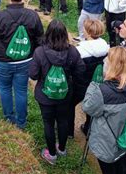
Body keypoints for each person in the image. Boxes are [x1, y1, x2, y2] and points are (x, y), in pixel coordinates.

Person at [0, 0, 44, 129]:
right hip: (25, 61)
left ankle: (9, 119)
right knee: (21, 90)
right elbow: (40, 40)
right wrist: (32, 55)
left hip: (3, 61)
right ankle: (21, 123)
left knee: (4, 88)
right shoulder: (32, 16)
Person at [29, 20, 85, 165]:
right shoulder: (72, 51)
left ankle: (51, 154)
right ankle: (62, 148)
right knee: (63, 120)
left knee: (48, 123)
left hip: (45, 96)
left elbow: (33, 75)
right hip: (65, 94)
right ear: (65, 34)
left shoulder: (39, 52)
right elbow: (80, 71)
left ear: (48, 34)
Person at [83, 46, 126, 174]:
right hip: (125, 135)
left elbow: (88, 108)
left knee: (108, 172)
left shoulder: (103, 91)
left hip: (107, 142)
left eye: (107, 60)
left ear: (113, 66)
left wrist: (93, 84)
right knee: (121, 166)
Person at [69, 19, 109, 138]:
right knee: (93, 107)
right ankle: (89, 129)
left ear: (88, 32)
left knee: (70, 105)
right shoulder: (105, 46)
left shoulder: (80, 50)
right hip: (97, 82)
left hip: (80, 83)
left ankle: (69, 131)